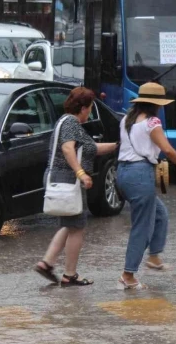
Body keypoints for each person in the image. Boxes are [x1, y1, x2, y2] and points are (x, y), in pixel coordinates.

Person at [34, 87, 119, 286]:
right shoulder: (71, 122)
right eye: (90, 108)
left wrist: (118, 146)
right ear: (82, 107)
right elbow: (67, 148)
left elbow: (93, 148)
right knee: (77, 226)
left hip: (63, 178)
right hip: (69, 180)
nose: (90, 112)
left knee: (70, 224)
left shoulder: (68, 122)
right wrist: (80, 173)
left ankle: (47, 263)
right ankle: (69, 274)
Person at [116, 82, 176, 290]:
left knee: (160, 214)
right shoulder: (152, 122)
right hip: (140, 174)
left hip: (123, 174)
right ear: (156, 105)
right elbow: (167, 150)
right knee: (142, 227)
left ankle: (154, 257)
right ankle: (128, 274)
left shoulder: (126, 119)